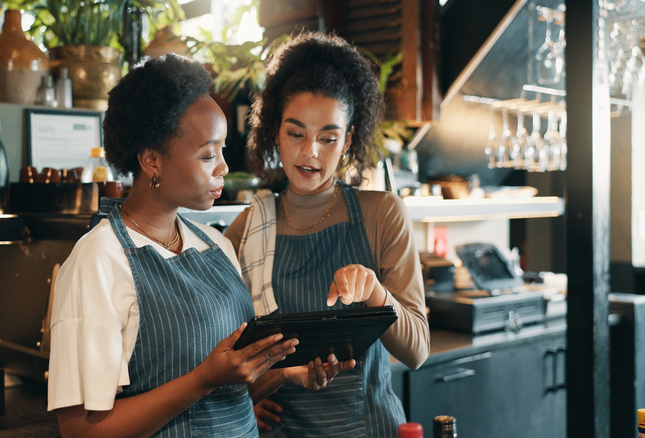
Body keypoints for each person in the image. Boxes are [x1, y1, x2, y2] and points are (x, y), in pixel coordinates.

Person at [47, 53, 347, 438]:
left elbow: (232, 390)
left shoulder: (215, 246)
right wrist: (202, 379)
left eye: (221, 150)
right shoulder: (99, 260)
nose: (223, 166)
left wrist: (286, 373)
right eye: (208, 154)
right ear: (151, 160)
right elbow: (80, 431)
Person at [224, 32, 430, 437]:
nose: (311, 152)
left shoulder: (381, 213)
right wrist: (258, 389)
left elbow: (418, 350)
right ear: (275, 131)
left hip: (368, 427)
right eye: (296, 133)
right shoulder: (247, 229)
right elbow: (227, 365)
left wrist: (374, 291)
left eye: (328, 138)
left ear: (348, 140)